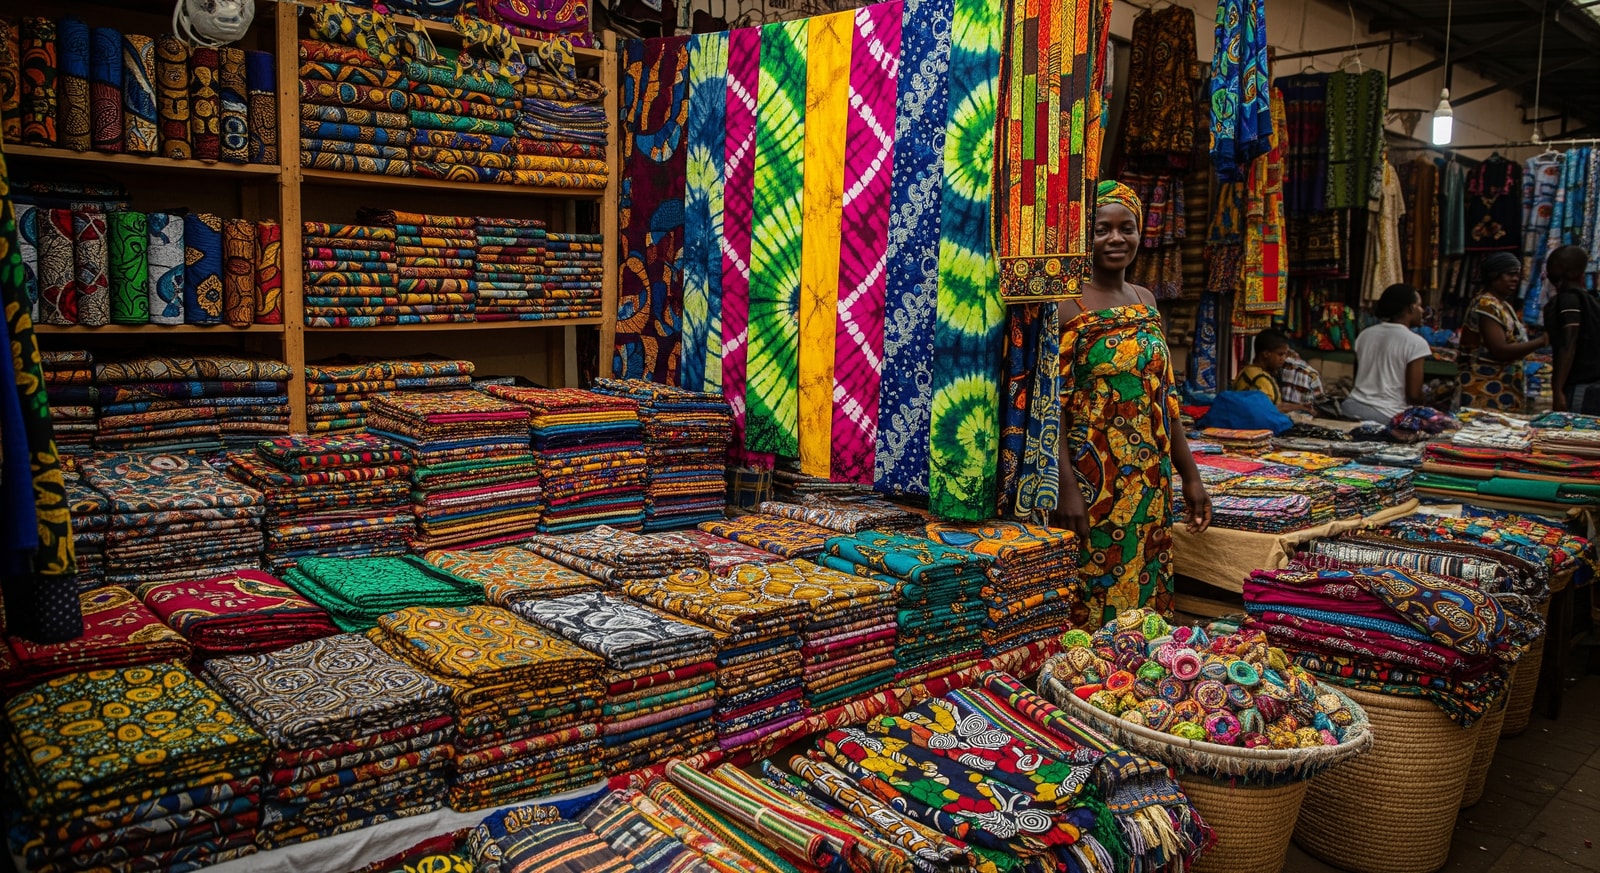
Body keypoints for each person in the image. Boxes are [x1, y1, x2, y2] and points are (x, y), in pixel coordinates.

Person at [1052, 180, 1212, 624]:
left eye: (1127, 228)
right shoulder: (1065, 304)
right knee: (1089, 586)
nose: (1116, 239)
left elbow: (1166, 398)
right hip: (1092, 479)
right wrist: (1066, 487)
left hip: (1149, 480)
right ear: (1084, 235)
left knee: (1145, 583)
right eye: (1102, 229)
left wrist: (1190, 476)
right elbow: (1052, 410)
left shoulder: (1145, 300)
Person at [1458, 252, 1547, 411]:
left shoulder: (1502, 305)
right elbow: (1500, 350)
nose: (1515, 279)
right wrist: (1541, 341)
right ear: (1494, 275)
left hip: (1501, 389)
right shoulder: (1486, 305)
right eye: (1510, 274)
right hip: (1485, 391)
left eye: (1517, 274)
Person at [1343, 283, 1431, 424]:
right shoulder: (1416, 342)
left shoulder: (1365, 335)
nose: (1422, 311)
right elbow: (1414, 395)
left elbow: (1359, 376)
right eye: (1419, 306)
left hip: (1351, 407)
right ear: (1410, 308)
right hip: (1387, 414)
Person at [1546, 245, 1600, 413]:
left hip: (1581, 388)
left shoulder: (1569, 300)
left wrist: (1557, 390)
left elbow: (1569, 343)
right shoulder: (1591, 302)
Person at [1232, 329, 1313, 413]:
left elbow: (1275, 406)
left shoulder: (1247, 370)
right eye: (1280, 354)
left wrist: (1301, 407)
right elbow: (1268, 411)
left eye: (1285, 355)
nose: (1284, 359)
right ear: (1266, 354)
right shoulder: (1261, 380)